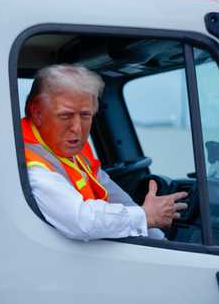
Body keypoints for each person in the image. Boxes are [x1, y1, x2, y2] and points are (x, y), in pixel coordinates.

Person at [22, 64, 188, 241]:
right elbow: (81, 222)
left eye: (85, 115)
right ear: (37, 113)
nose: (77, 128)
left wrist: (161, 242)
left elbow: (119, 199)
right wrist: (144, 216)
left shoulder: (71, 150)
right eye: (65, 116)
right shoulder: (32, 165)